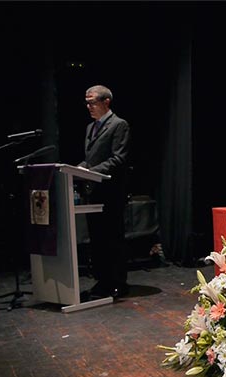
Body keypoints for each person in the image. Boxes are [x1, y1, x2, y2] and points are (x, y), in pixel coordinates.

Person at [78, 85, 130, 300]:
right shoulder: (91, 127)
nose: (89, 106)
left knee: (112, 238)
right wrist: (76, 169)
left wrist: (89, 171)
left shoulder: (119, 125)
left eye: (93, 102)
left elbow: (118, 159)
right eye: (87, 102)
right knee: (97, 239)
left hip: (111, 192)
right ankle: (102, 281)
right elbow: (91, 159)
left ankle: (118, 282)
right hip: (93, 192)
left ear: (106, 102)